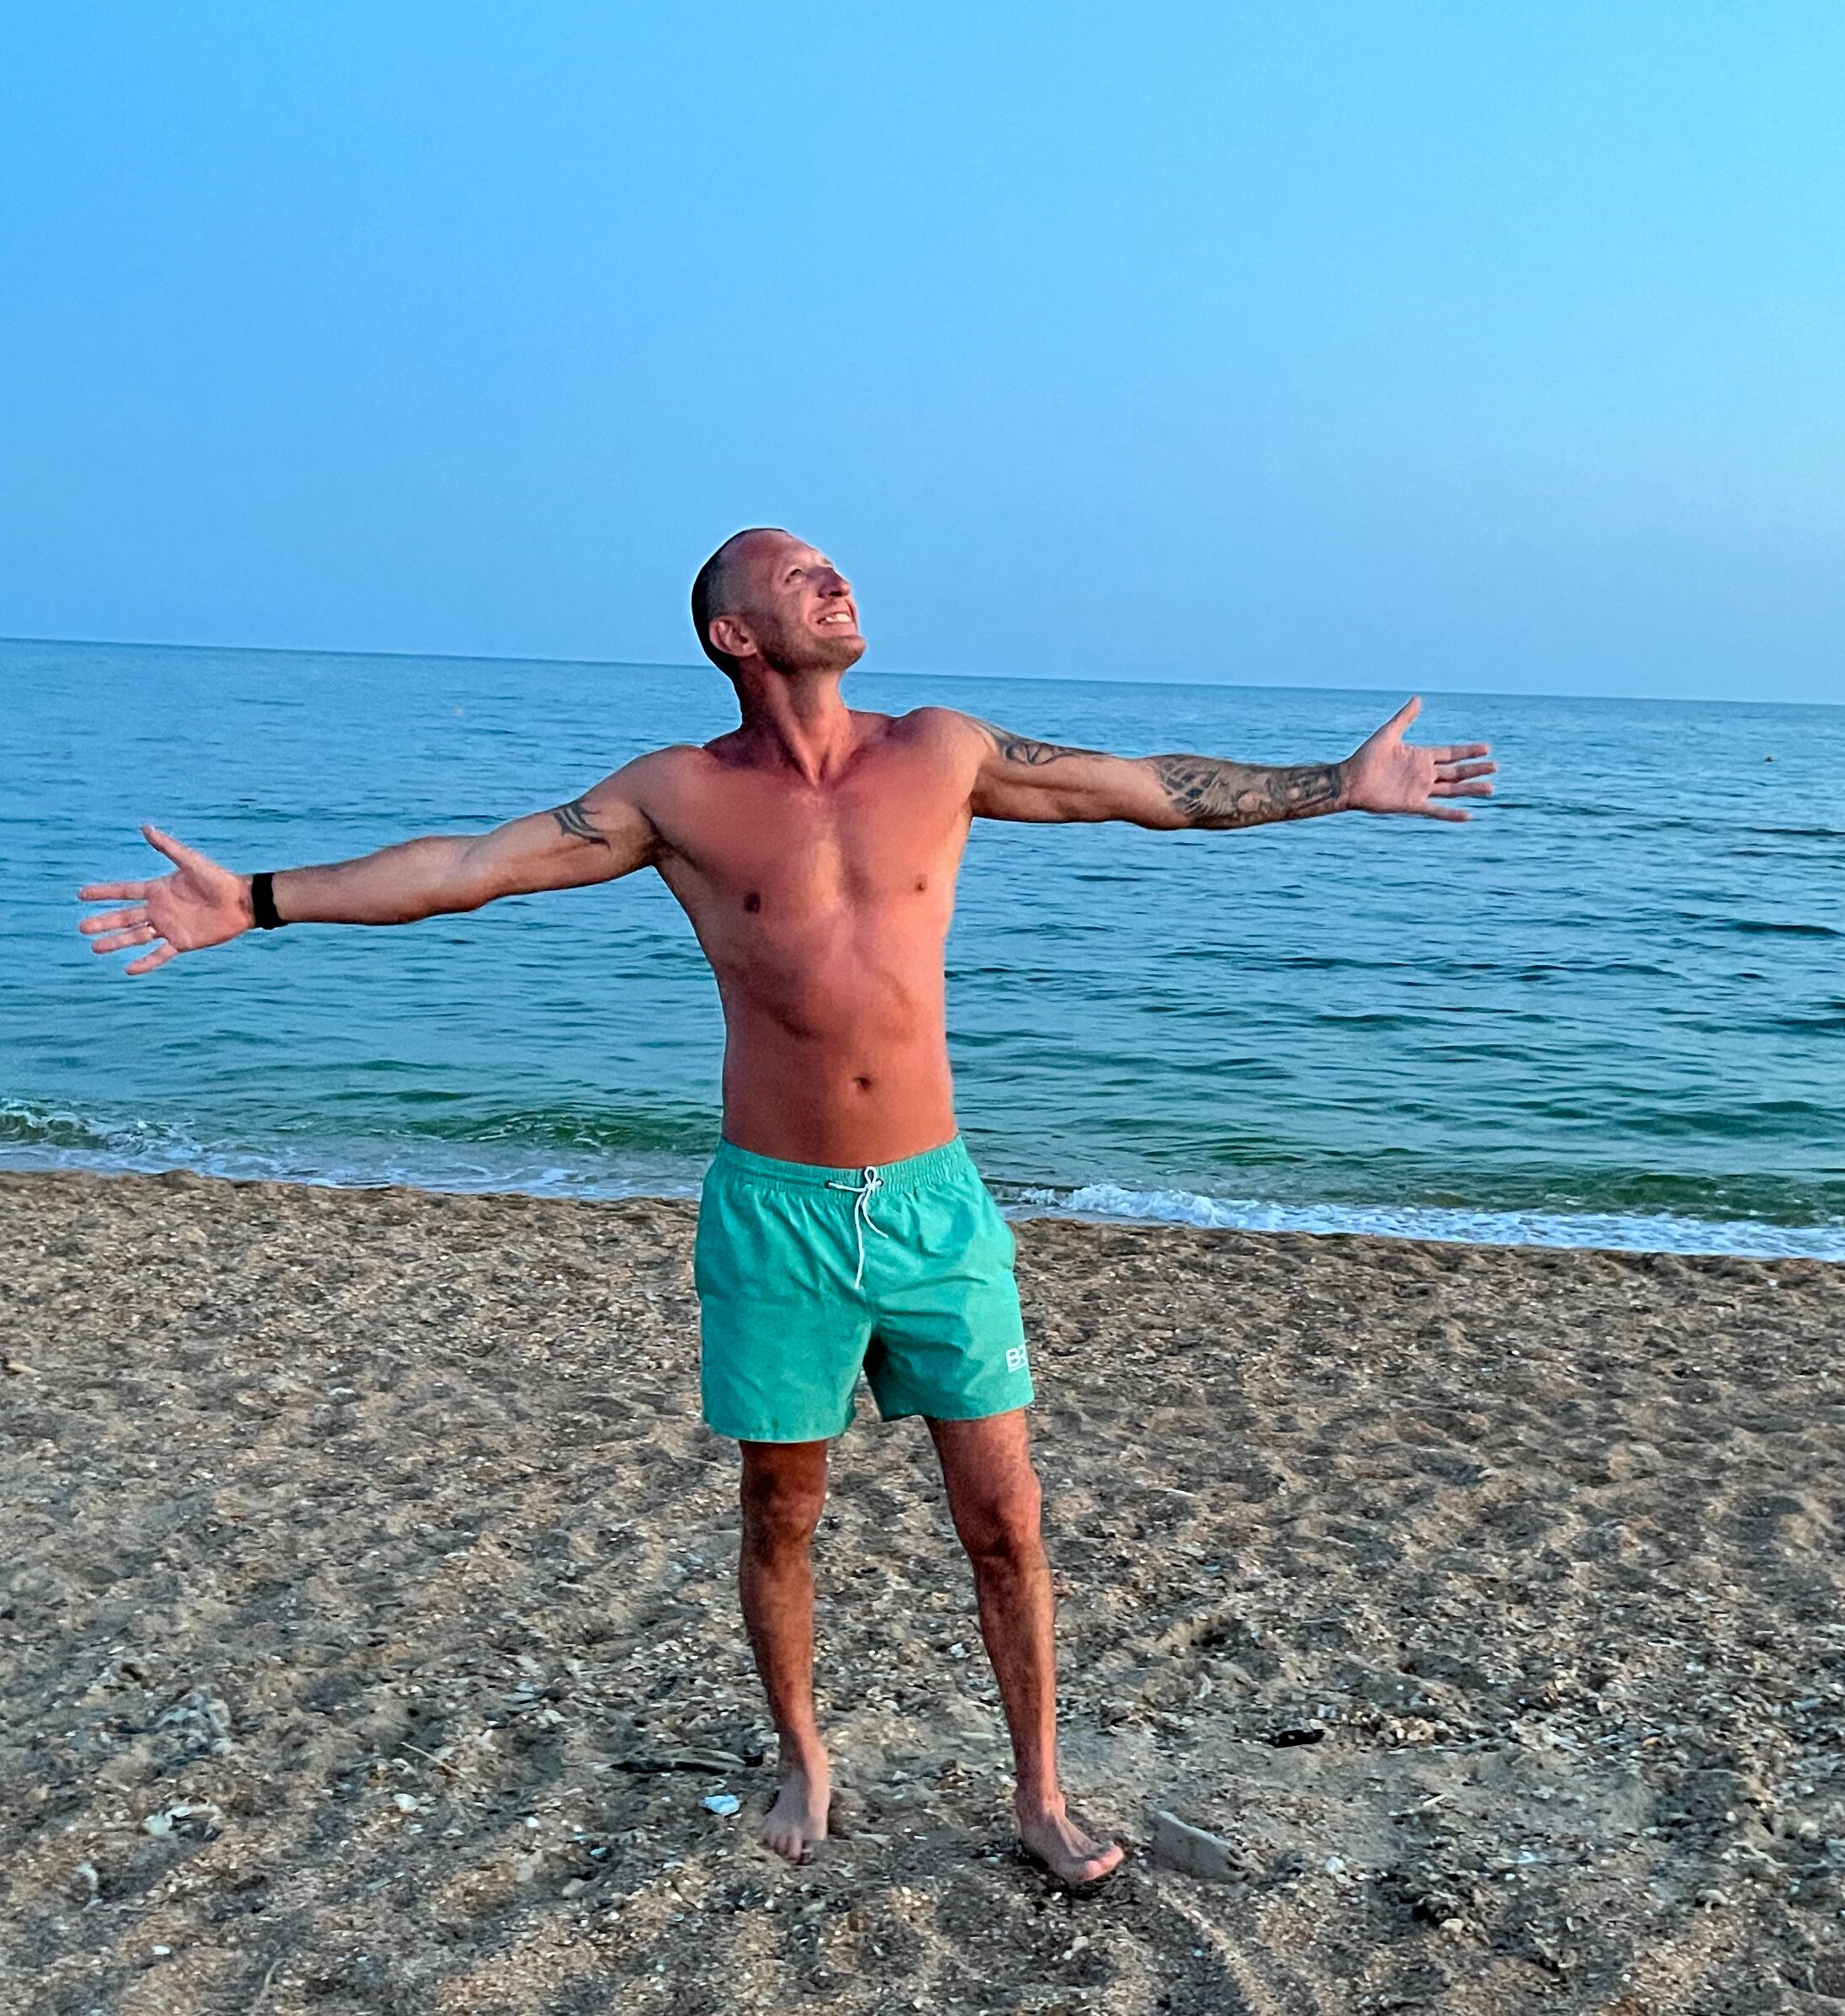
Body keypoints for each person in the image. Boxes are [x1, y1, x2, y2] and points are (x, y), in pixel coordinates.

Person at [77, 529, 1495, 1886]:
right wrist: (256, 898)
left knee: (1004, 1518)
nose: (835, 579)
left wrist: (1340, 783)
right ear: (733, 632)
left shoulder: (939, 751)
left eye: (835, 565)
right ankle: (804, 1761)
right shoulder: (677, 796)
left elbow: (1144, 787)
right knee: (782, 1510)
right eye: (797, 571)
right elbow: (469, 869)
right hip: (776, 1212)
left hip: (935, 1206)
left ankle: (1041, 1794)